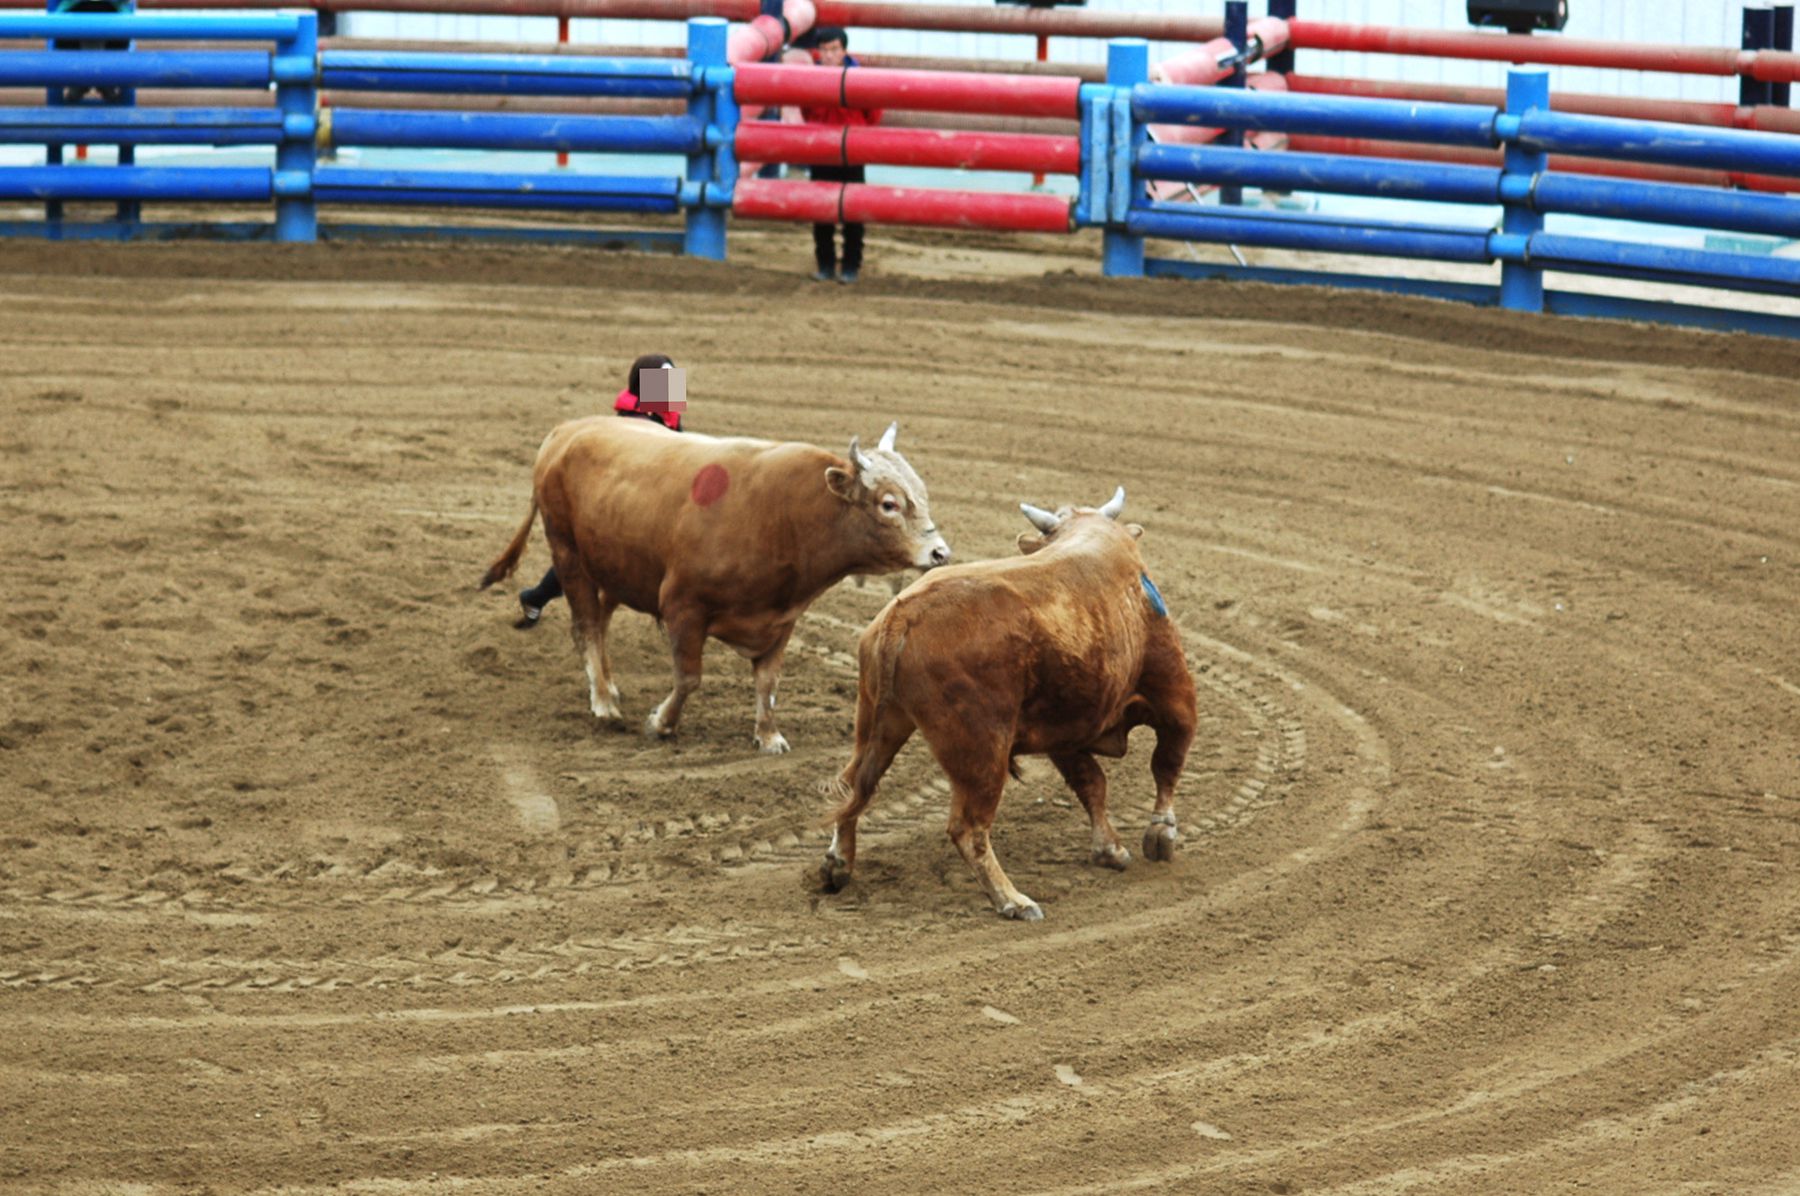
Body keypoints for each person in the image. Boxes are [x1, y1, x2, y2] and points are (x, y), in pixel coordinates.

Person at [514, 353, 683, 629]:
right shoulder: (633, 422)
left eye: (672, 380)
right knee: (585, 559)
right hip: (622, 503)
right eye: (664, 381)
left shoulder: (666, 416)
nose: (671, 388)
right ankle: (536, 597)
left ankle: (536, 598)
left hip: (651, 502)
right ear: (646, 386)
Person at [800, 26, 880, 284]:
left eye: (834, 49)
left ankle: (850, 266)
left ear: (844, 51)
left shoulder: (860, 80)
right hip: (822, 153)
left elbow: (873, 113)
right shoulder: (811, 80)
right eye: (824, 50)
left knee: (853, 213)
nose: (828, 55)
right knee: (821, 211)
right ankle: (825, 264)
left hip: (851, 153)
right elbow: (806, 110)